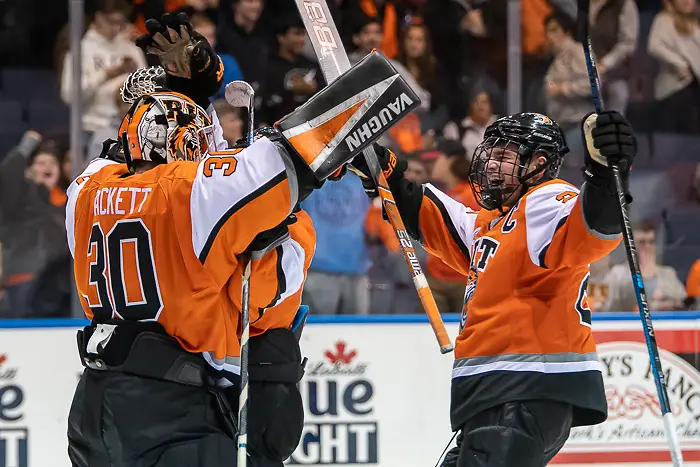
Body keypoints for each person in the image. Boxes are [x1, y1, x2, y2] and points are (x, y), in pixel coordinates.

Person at [65, 13, 348, 467]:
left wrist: (190, 94)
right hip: (173, 410)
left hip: (93, 410)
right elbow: (288, 158)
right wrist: (357, 113)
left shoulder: (85, 191)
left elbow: (131, 151)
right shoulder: (189, 194)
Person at [351, 109, 637, 466]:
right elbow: (435, 216)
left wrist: (606, 179)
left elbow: (591, 232)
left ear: (538, 163)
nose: (489, 164)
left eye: (503, 156)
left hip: (524, 388)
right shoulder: (496, 221)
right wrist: (382, 171)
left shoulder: (546, 200)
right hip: (501, 394)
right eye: (490, 153)